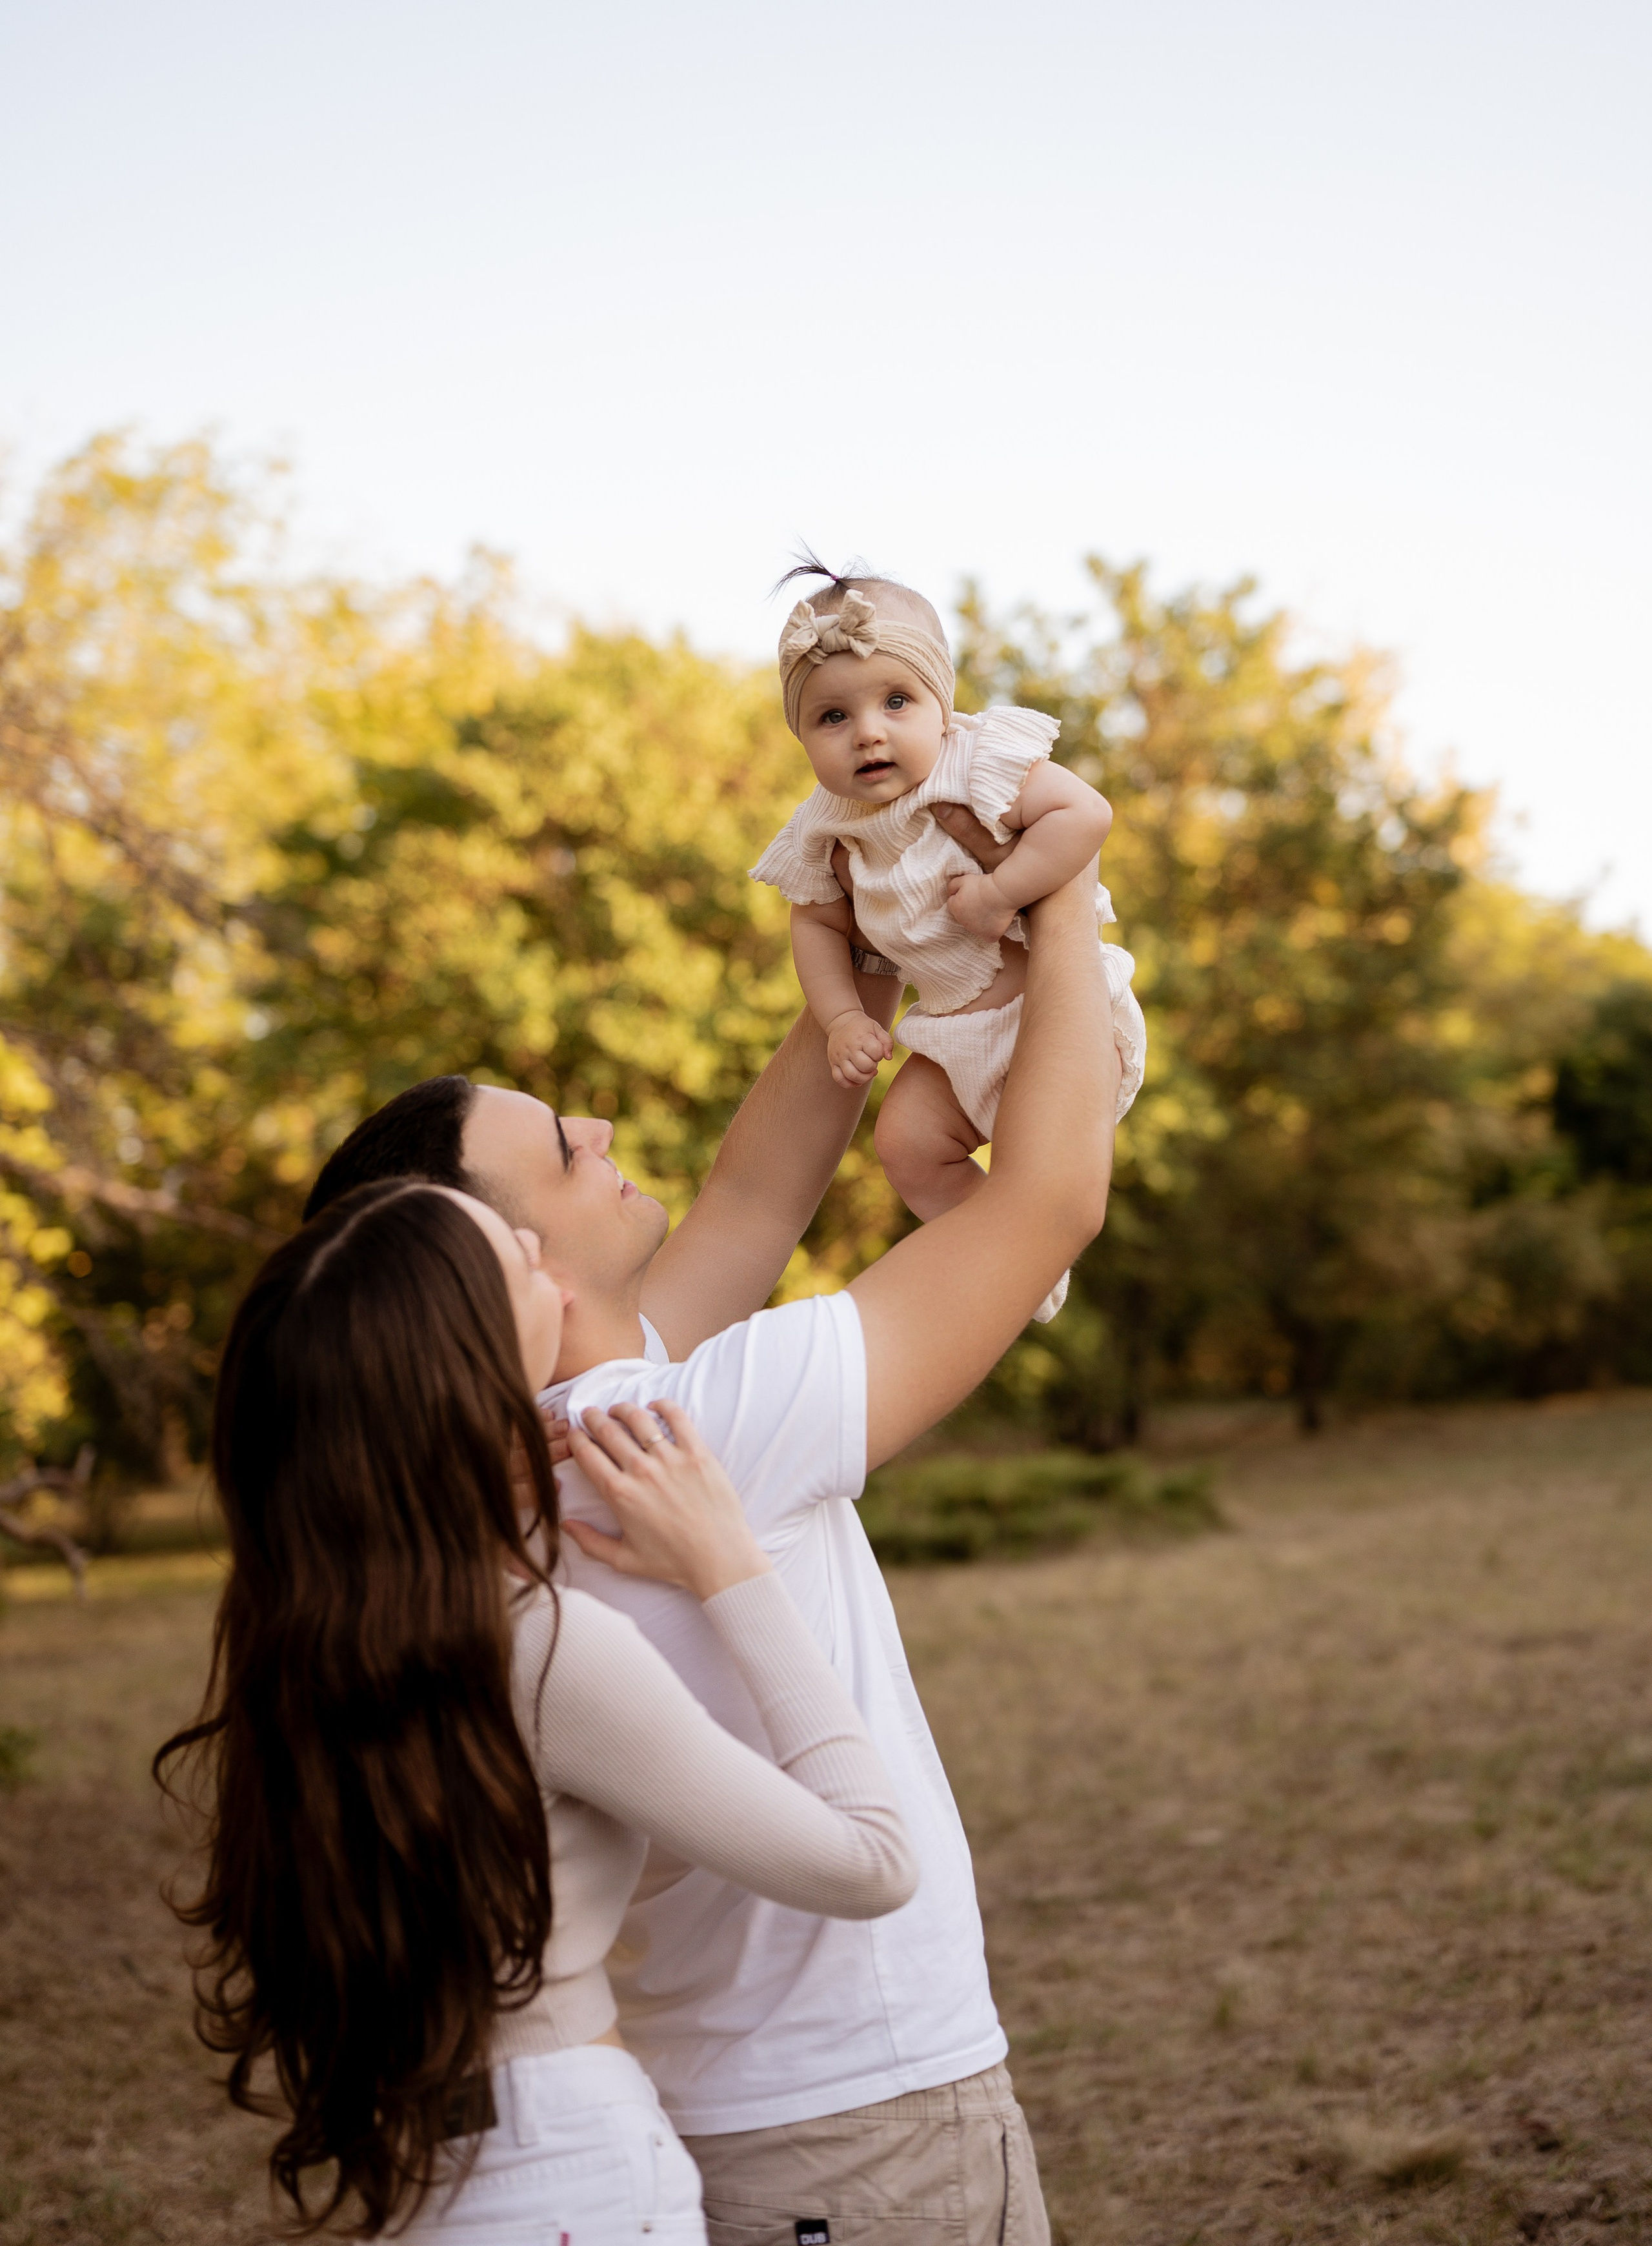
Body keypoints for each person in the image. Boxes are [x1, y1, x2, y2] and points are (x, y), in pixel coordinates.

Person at [303, 813, 1118, 2245]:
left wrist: (877, 908)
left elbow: (753, 1196)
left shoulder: (526, 1463)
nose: (601, 1128)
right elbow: (1048, 1200)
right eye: (563, 1146)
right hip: (864, 2119)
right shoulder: (700, 1428)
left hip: (708, 2102)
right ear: (513, 1261)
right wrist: (1061, 902)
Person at [157, 1177, 917, 2243]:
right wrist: (731, 1564)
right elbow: (873, 1861)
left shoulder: (303, 1641)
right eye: (512, 1255)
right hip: (572, 2173)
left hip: (431, 2168)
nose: (533, 1238)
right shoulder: (541, 1645)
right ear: (468, 1360)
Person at [752, 560, 1147, 1322]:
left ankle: (1033, 1240)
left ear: (943, 705)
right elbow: (817, 923)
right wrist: (840, 1017)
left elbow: (1085, 815)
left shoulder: (978, 764)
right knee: (904, 1146)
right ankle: (1019, 1267)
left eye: (896, 701)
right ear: (800, 735)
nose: (868, 731)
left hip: (1051, 1015)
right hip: (950, 1035)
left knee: (1046, 1169)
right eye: (831, 717)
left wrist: (1001, 891)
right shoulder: (822, 825)